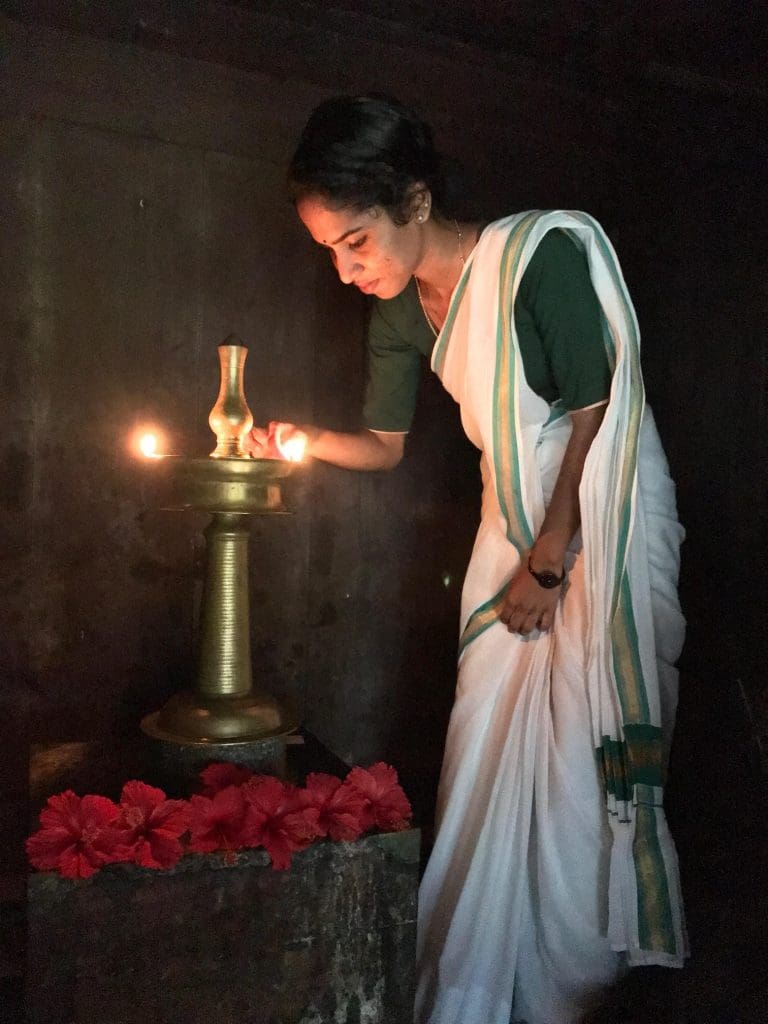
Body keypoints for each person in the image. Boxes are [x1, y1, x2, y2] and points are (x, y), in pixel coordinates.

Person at [250, 94, 687, 1024]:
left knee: (578, 751)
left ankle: (573, 986)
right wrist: (291, 439)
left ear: (413, 200)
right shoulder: (401, 313)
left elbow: (598, 411)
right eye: (329, 249)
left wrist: (551, 560)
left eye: (356, 240)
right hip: (514, 527)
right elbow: (383, 445)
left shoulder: (545, 254)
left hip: (599, 514)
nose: (343, 269)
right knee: (488, 743)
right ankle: (488, 984)